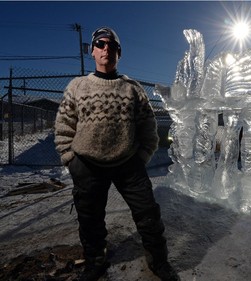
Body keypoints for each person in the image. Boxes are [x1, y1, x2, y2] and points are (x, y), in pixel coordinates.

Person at [54, 27, 180, 281]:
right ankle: (95, 262)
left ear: (119, 53)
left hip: (127, 163)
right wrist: (70, 158)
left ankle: (159, 262)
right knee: (90, 220)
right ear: (92, 51)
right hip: (87, 164)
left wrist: (141, 156)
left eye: (112, 45)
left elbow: (148, 128)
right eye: (100, 44)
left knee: (148, 215)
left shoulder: (132, 88)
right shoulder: (78, 86)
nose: (106, 49)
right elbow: (64, 125)